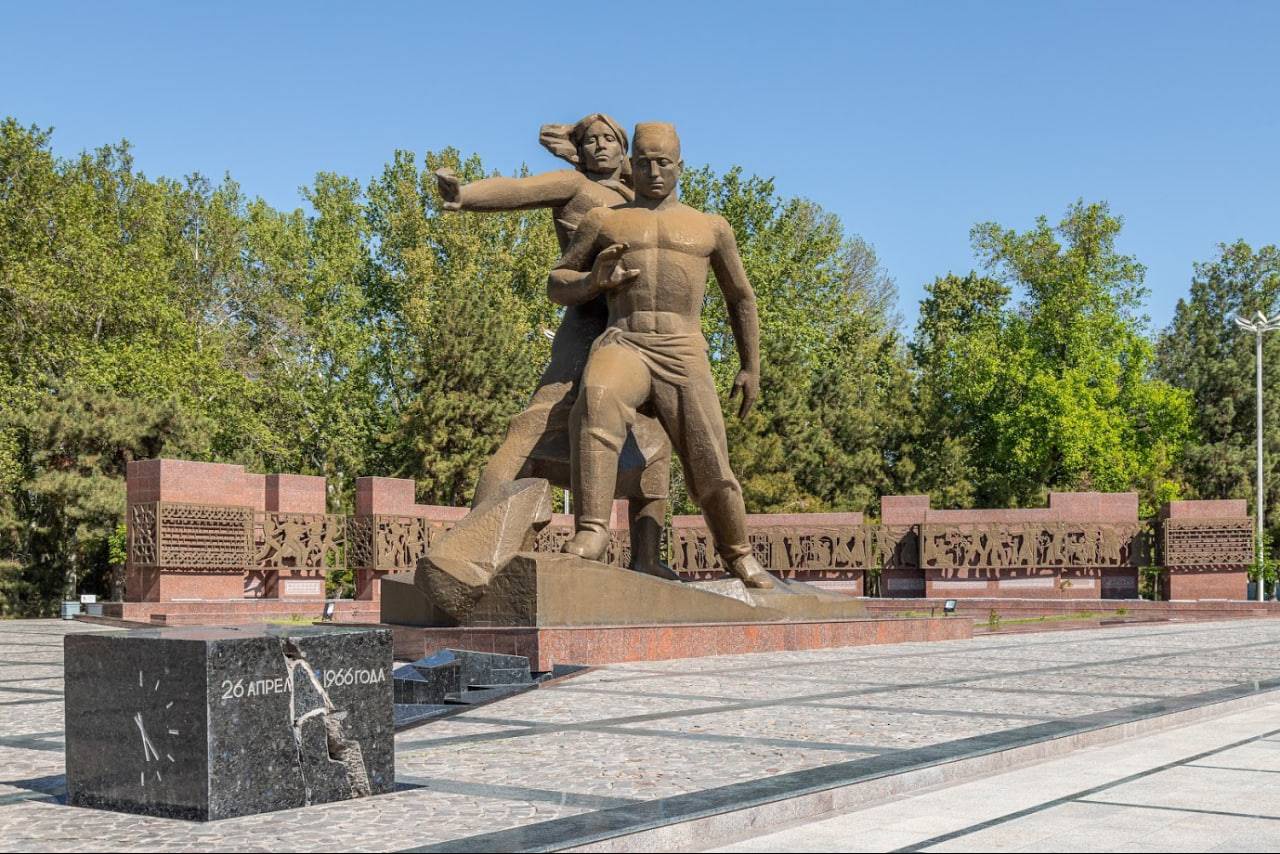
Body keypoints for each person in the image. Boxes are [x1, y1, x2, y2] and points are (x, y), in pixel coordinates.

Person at [434, 114, 674, 578]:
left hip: (638, 332)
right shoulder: (575, 186)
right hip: (586, 323)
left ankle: (647, 556)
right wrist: (465, 195)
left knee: (653, 443)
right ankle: (476, 541)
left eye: (609, 140)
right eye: (590, 141)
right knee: (535, 424)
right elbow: (519, 190)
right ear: (577, 151)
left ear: (624, 149)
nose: (600, 147)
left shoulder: (641, 197)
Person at [548, 122, 776, 589]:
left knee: (710, 460)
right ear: (631, 164)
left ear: (680, 166)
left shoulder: (710, 227)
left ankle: (738, 553)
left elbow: (740, 297)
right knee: (598, 398)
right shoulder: (604, 221)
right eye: (645, 163)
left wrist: (750, 366)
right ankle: (592, 530)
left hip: (682, 349)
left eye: (664, 163)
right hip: (625, 340)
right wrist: (593, 282)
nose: (654, 172)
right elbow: (557, 283)